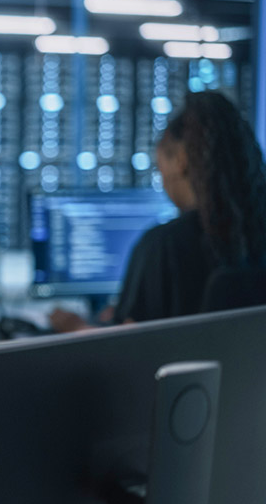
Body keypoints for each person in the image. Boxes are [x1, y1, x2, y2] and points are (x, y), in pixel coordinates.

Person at [50, 90, 266, 332]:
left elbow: (127, 352)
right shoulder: (255, 237)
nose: (162, 178)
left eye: (159, 166)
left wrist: (77, 328)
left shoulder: (164, 246)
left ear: (181, 160)